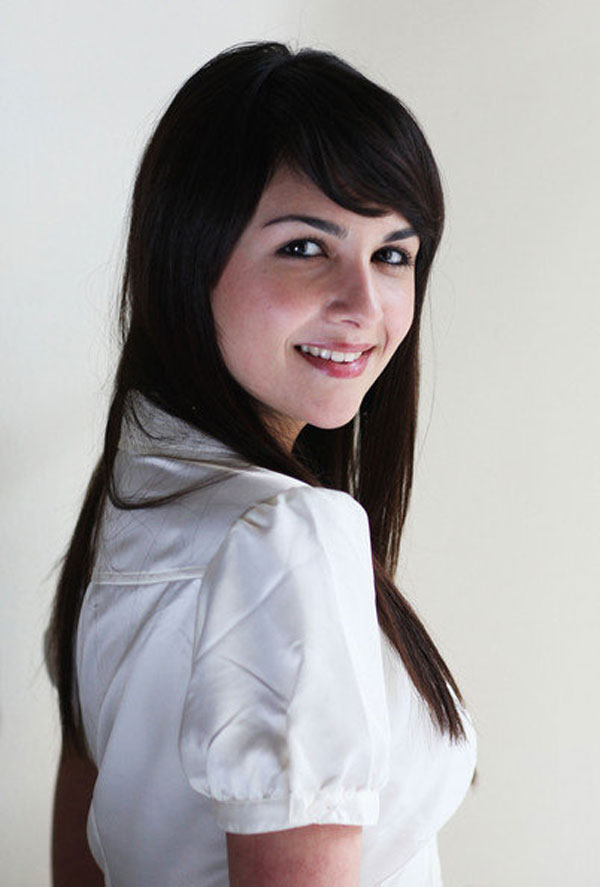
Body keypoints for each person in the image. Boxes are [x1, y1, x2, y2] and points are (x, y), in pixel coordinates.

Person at [46, 40, 477, 886]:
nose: (364, 305)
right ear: (187, 257)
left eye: (393, 254)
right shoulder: (287, 534)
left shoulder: (130, 501)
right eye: (305, 247)